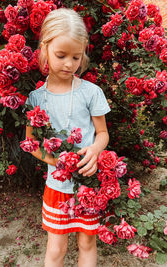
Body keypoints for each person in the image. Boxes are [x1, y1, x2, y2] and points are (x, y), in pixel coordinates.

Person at [26, 8, 111, 267]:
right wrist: (56, 163)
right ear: (45, 49)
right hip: (57, 188)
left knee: (87, 242)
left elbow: (103, 133)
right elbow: (31, 146)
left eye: (76, 57)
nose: (69, 64)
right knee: (56, 247)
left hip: (88, 184)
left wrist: (95, 150)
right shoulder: (36, 99)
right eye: (61, 55)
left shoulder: (90, 93)